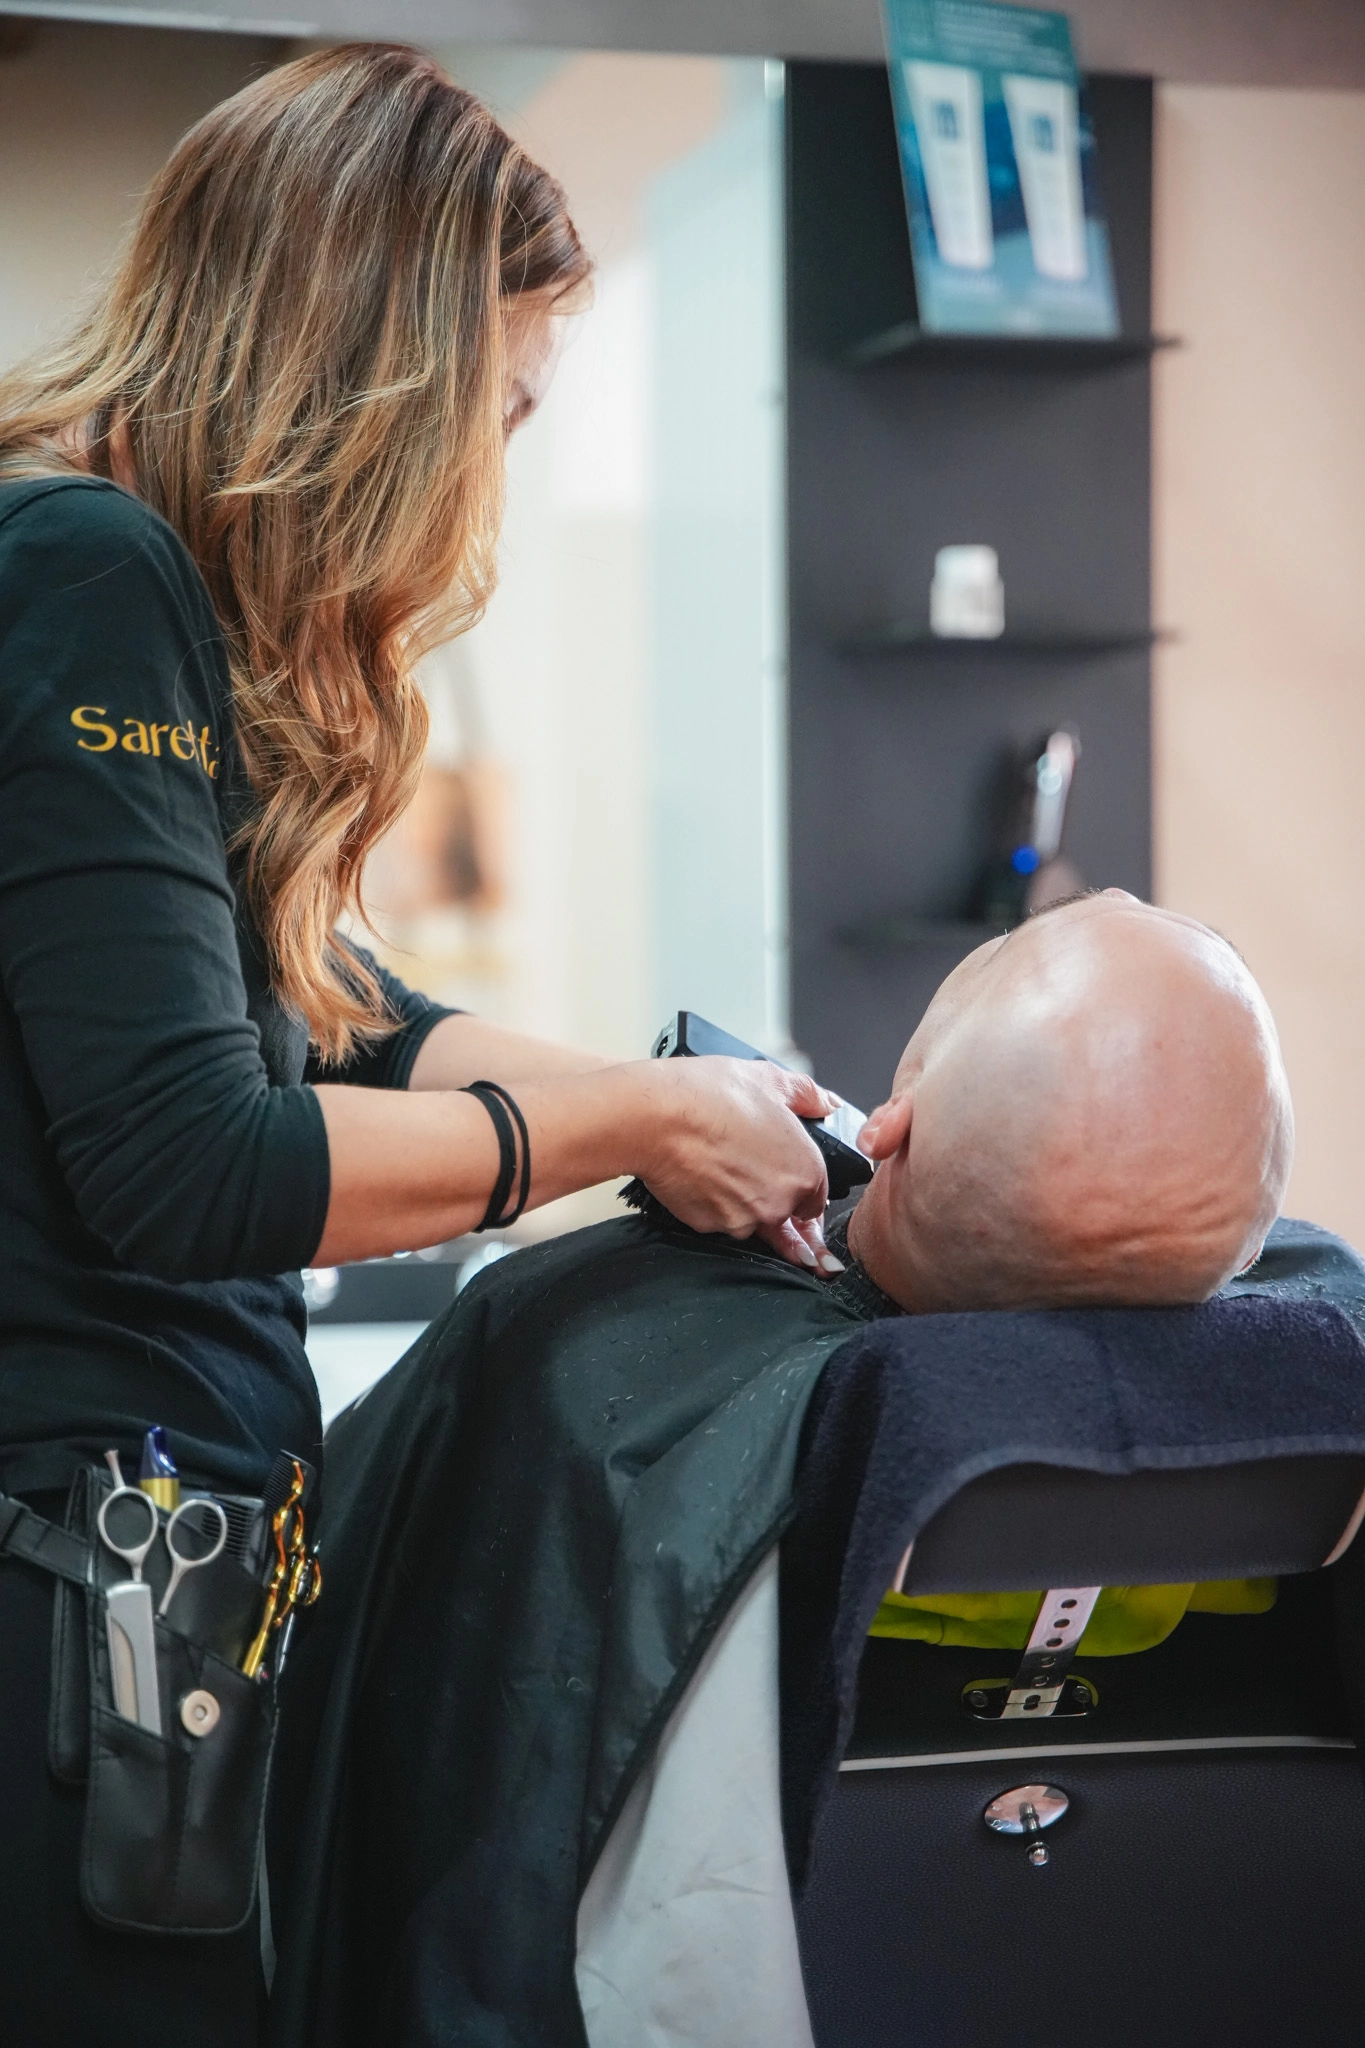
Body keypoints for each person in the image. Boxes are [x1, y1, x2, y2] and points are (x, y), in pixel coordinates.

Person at [0, 45, 839, 2046]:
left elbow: (331, 1007)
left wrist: (672, 1103)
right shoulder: (91, 573)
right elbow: (191, 1154)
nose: (495, 468)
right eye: (503, 405)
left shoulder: (121, 577)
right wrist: (627, 1118)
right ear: (379, 368)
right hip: (63, 1589)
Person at [265, 890, 1309, 2045]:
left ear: (890, 1123)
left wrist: (636, 1116)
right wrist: (640, 1106)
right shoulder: (1299, 1402)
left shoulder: (578, 1354)